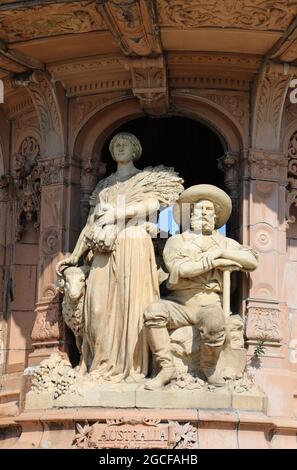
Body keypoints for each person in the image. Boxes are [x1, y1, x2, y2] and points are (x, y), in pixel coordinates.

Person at [56, 132, 184, 383]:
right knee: (96, 308)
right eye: (115, 145)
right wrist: (76, 255)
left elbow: (151, 206)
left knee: (132, 305)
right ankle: (98, 365)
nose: (120, 147)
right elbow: (90, 223)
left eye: (125, 144)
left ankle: (133, 367)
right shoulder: (104, 186)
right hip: (102, 250)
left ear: (135, 149)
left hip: (133, 244)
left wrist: (118, 212)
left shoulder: (147, 179)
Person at [144, 184, 258, 389]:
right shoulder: (176, 241)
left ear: (216, 217)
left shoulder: (224, 243)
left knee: (215, 323)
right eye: (199, 211)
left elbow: (251, 260)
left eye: (209, 211)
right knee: (154, 312)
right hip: (181, 303)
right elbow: (182, 269)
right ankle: (166, 366)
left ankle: (209, 367)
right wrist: (213, 264)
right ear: (190, 215)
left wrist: (219, 253)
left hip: (209, 304)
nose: (204, 215)